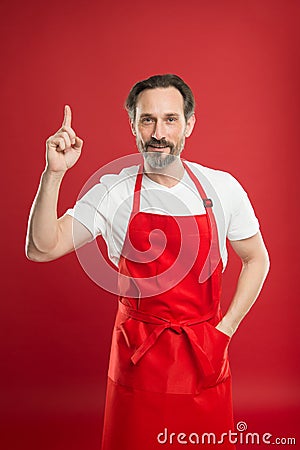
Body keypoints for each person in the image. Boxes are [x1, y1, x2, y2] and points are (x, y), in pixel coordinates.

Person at [26, 74, 270, 449]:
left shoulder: (222, 188)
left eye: (170, 119)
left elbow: (256, 259)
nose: (159, 132)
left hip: (203, 354)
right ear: (133, 126)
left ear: (189, 123)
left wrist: (225, 331)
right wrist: (53, 174)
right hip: (137, 361)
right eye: (148, 119)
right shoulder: (113, 190)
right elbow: (42, 248)